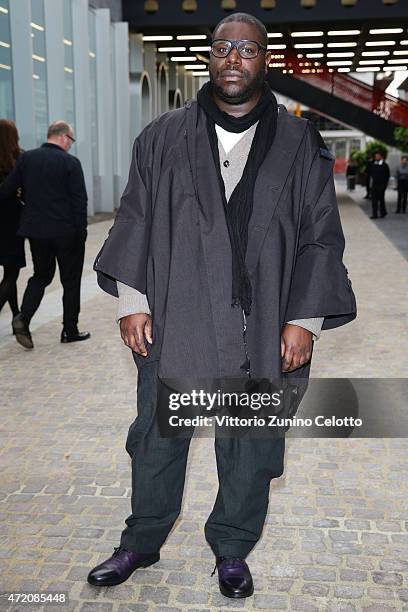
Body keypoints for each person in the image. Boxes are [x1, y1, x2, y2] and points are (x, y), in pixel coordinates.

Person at [90, 13, 356, 599]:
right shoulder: (163, 136)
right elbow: (135, 217)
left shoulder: (299, 142)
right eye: (223, 47)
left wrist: (303, 320)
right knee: (157, 437)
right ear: (211, 57)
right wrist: (132, 301)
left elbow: (320, 234)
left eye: (248, 49)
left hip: (261, 322)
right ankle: (142, 538)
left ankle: (232, 546)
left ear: (264, 61)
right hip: (175, 313)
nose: (233, 57)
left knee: (250, 441)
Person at [0, 120, 90, 348]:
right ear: (62, 137)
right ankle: (70, 330)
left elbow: (7, 190)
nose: (70, 145)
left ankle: (23, 318)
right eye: (71, 140)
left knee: (41, 276)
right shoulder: (70, 163)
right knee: (70, 281)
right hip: (67, 232)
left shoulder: (26, 159)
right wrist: (82, 232)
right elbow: (80, 202)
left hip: (37, 232)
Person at [0, 120, 25, 331]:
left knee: (10, 274)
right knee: (11, 273)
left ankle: (16, 314)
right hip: (11, 225)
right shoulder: (18, 159)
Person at [370, 150, 390, 219]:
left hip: (382, 185)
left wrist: (385, 185)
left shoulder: (385, 165)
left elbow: (387, 175)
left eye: (378, 156)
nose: (377, 157)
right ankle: (374, 214)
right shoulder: (373, 164)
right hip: (374, 185)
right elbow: (371, 174)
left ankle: (383, 213)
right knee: (374, 200)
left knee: (381, 199)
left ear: (381, 157)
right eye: (376, 156)